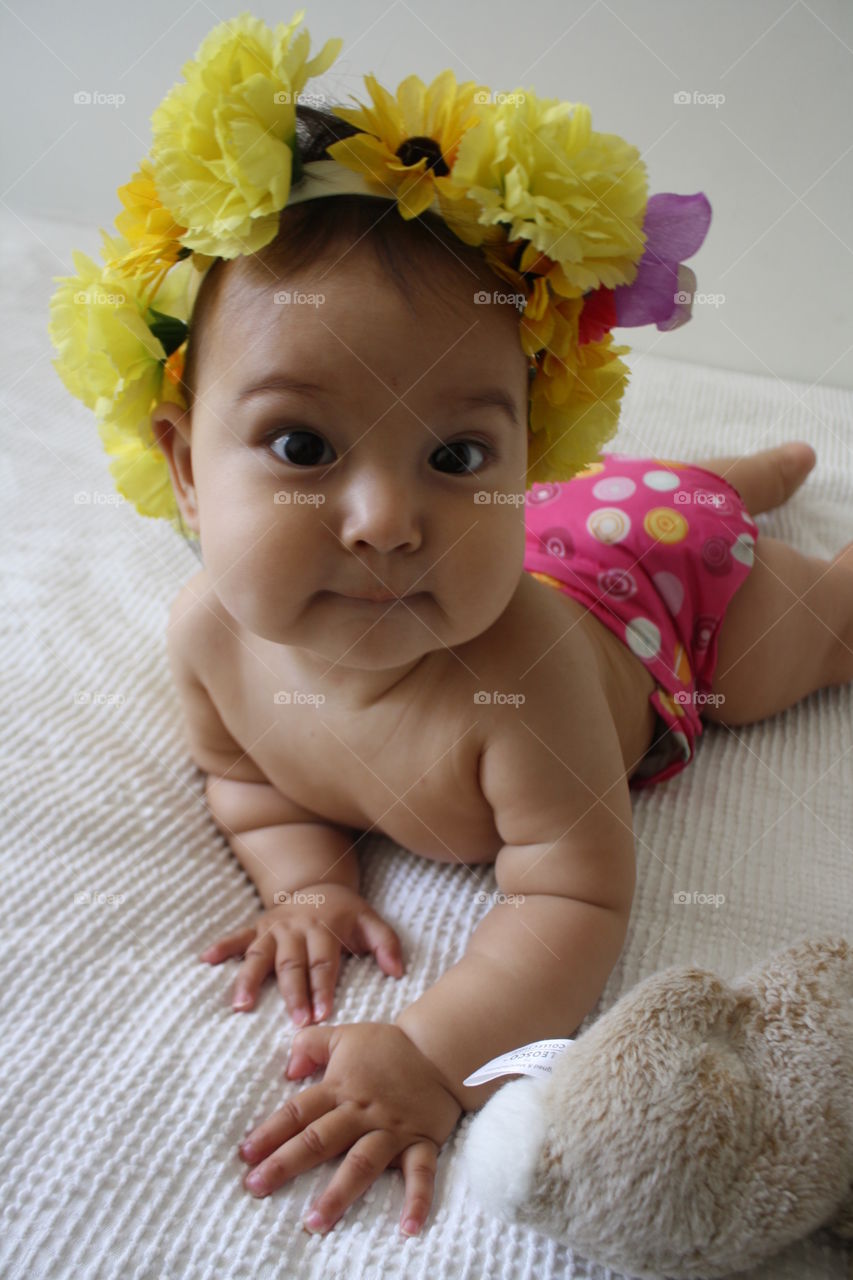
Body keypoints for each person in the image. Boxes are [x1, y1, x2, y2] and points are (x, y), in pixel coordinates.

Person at [48, 12, 853, 1241]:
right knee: (631, 499)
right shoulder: (209, 632)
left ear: (525, 454)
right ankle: (728, 472)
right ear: (187, 468)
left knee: (780, 624)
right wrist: (306, 881)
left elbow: (573, 901)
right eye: (305, 446)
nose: (384, 520)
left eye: (458, 454)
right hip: (585, 516)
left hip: (673, 606)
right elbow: (246, 782)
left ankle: (768, 511)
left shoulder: (518, 672)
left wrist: (431, 1054)